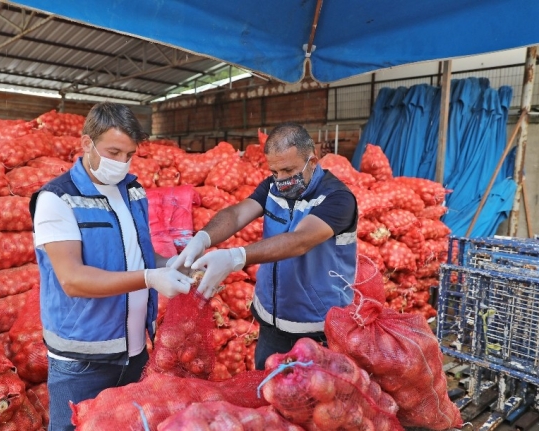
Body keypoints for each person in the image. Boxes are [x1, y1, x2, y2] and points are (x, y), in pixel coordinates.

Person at [29, 102, 192, 431]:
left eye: (129, 154)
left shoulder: (133, 190)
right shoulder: (57, 199)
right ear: (86, 143)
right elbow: (72, 280)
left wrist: (170, 264)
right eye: (113, 152)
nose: (121, 163)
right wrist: (149, 278)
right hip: (83, 360)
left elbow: (138, 254)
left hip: (134, 353)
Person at [171, 122, 358, 370]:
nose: (281, 180)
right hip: (271, 324)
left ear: (312, 162)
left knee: (311, 400)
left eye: (288, 170)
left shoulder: (336, 198)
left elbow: (300, 241)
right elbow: (238, 214)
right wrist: (203, 238)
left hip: (318, 329)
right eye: (275, 171)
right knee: (266, 392)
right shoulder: (274, 187)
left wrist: (236, 257)